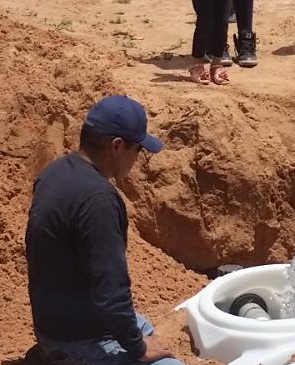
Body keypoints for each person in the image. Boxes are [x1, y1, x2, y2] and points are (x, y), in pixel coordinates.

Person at [25, 95, 182, 365]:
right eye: (138, 150)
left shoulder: (54, 172)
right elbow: (110, 294)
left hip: (53, 325)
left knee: (139, 325)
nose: (137, 159)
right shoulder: (99, 201)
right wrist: (137, 348)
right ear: (117, 147)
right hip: (76, 341)